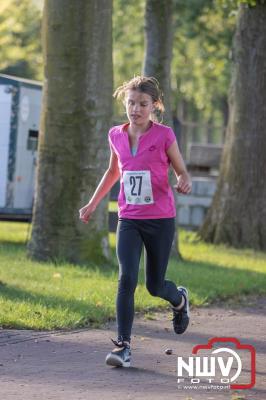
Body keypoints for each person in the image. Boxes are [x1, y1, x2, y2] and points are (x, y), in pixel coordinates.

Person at [79, 76, 192, 368]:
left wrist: (183, 180)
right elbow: (113, 171)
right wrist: (93, 203)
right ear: (124, 103)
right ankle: (123, 347)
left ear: (154, 105)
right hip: (128, 217)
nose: (135, 109)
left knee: (155, 286)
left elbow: (181, 170)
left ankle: (179, 300)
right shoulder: (116, 134)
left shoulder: (164, 135)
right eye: (131, 103)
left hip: (160, 219)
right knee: (126, 278)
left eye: (142, 104)